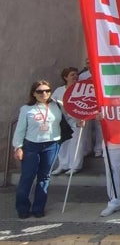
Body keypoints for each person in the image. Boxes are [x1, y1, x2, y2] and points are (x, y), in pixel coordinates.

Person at [13, 80, 80, 218]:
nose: (44, 94)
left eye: (47, 91)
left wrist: (78, 123)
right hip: (31, 145)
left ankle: (38, 208)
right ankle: (23, 207)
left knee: (44, 178)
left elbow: (68, 119)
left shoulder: (57, 105)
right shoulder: (26, 109)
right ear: (34, 93)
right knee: (27, 177)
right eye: (40, 91)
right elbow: (20, 129)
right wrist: (18, 147)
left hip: (51, 145)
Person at [51, 67, 87, 176]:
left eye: (76, 74)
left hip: (77, 118)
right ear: (65, 77)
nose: (75, 76)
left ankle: (75, 166)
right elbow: (52, 103)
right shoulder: (59, 90)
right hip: (63, 120)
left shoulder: (82, 88)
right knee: (63, 142)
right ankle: (63, 165)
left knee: (76, 142)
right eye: (72, 74)